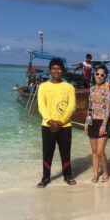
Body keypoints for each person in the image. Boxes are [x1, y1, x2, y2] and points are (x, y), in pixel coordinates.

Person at [37, 58, 76, 188]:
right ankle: (45, 177)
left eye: (59, 68)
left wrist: (61, 121)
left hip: (65, 126)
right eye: (53, 68)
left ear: (62, 70)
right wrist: (49, 120)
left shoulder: (69, 87)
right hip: (47, 125)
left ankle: (68, 176)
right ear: (50, 71)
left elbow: (72, 106)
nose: (56, 71)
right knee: (47, 152)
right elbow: (41, 105)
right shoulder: (43, 87)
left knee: (65, 153)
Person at [84, 65, 110, 183]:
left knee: (100, 151)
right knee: (94, 151)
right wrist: (86, 122)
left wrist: (104, 125)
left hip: (102, 121)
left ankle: (105, 172)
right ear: (94, 75)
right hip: (92, 121)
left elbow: (108, 109)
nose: (99, 76)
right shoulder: (91, 89)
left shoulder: (106, 89)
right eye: (97, 74)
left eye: (102, 75)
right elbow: (90, 107)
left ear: (105, 77)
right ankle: (95, 174)